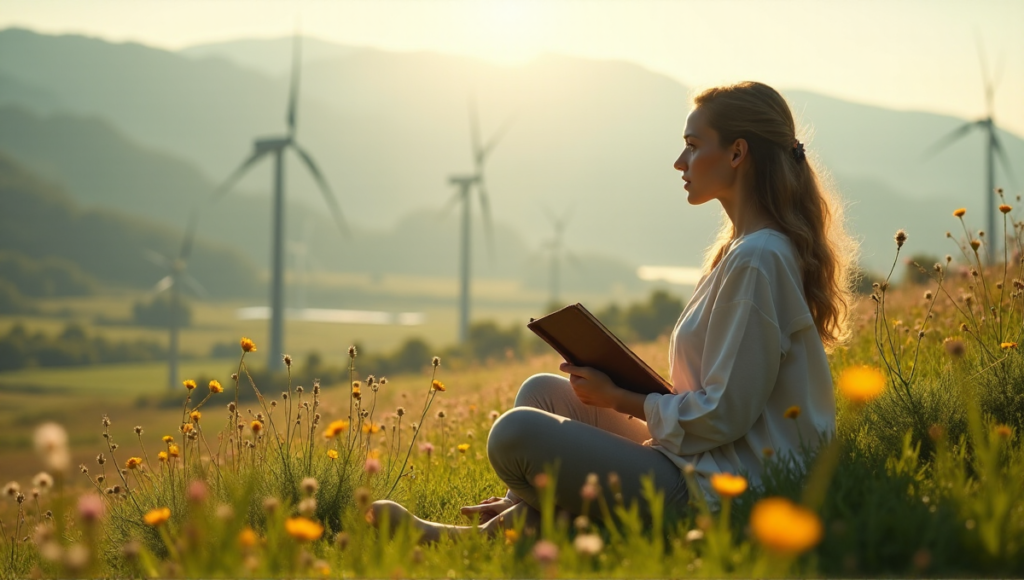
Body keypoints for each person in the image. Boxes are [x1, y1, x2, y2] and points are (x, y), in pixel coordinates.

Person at [370, 81, 857, 542]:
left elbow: (725, 414)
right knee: (540, 393)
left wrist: (621, 398)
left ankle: (497, 533)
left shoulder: (758, 259)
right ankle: (522, 522)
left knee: (514, 433)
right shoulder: (742, 250)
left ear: (736, 152)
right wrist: (619, 393)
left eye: (692, 144)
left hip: (727, 486)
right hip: (701, 457)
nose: (678, 161)